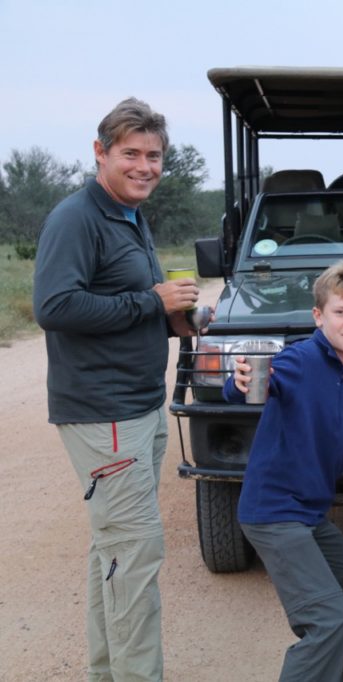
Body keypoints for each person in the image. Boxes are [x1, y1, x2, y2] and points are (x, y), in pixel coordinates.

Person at [32, 97, 200, 680]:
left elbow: (121, 301)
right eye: (130, 153)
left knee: (116, 552)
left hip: (137, 405)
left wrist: (170, 318)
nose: (144, 166)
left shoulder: (129, 215)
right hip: (103, 411)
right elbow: (53, 306)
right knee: (133, 557)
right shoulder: (77, 217)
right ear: (100, 152)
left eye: (153, 155)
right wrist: (148, 302)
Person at [225, 260, 343, 682]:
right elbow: (252, 386)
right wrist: (240, 380)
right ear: (318, 316)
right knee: (327, 620)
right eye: (341, 312)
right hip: (273, 513)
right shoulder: (300, 360)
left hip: (308, 512)